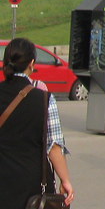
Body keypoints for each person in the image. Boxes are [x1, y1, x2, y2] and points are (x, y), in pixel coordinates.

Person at [0, 38, 74, 207]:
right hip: (31, 187)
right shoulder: (44, 99)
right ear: (32, 63)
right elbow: (54, 146)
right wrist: (65, 180)